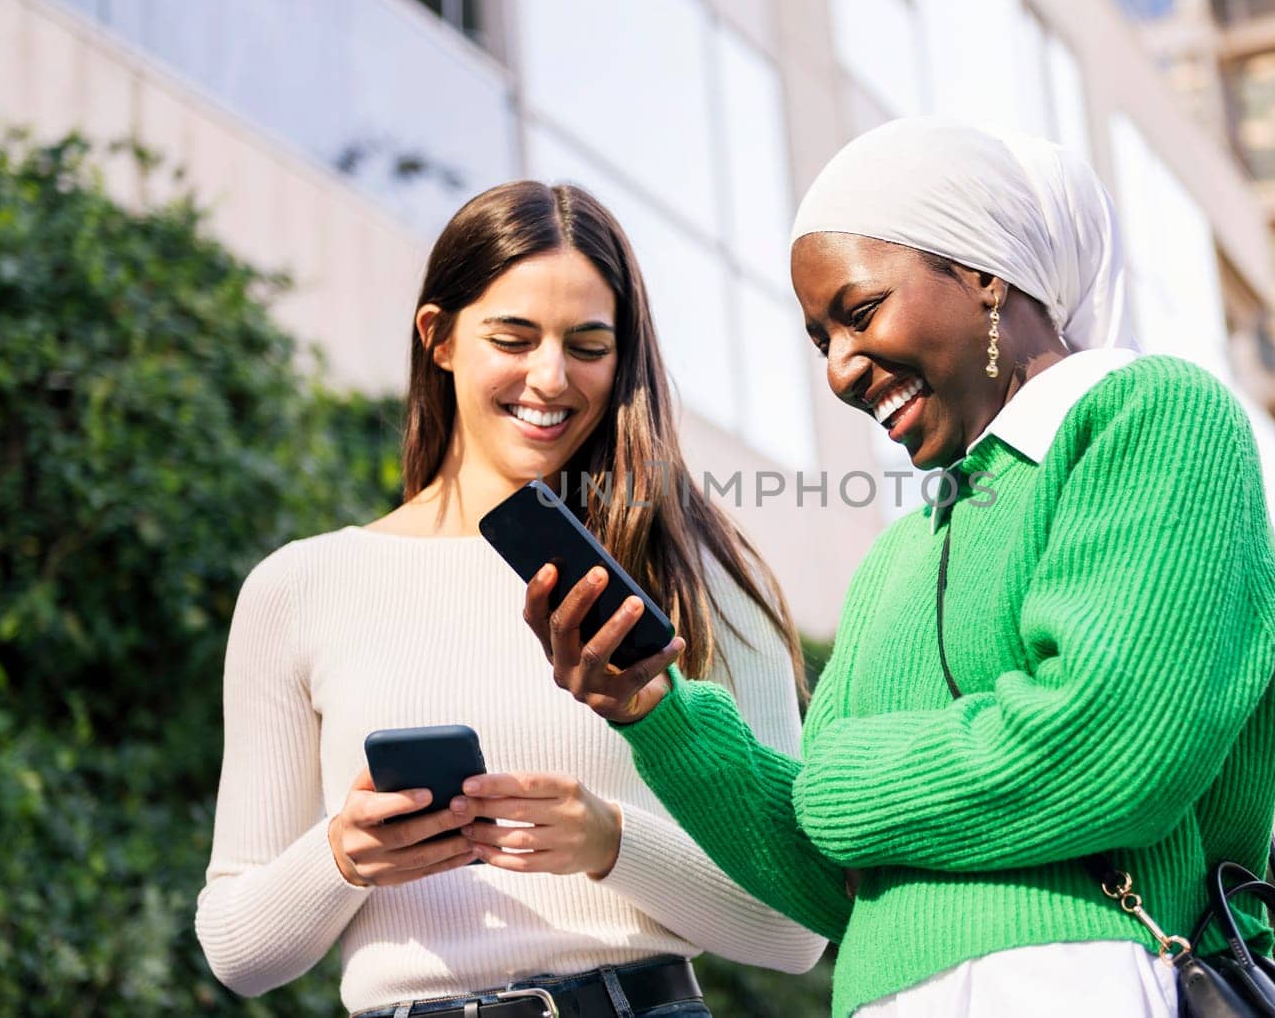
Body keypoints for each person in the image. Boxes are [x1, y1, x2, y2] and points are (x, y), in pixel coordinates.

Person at [524, 119, 1275, 1018]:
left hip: (1087, 980)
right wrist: (653, 713)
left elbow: (1106, 751)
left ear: (982, 272)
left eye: (858, 313)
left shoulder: (1152, 418)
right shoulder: (899, 555)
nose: (842, 369)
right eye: (821, 340)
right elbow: (834, 881)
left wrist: (834, 779)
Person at [195, 181, 826, 1017]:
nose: (551, 377)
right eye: (514, 337)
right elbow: (237, 948)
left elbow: (795, 927)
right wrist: (341, 855)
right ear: (440, 337)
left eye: (588, 345)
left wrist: (609, 842)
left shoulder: (696, 573)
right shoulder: (300, 587)